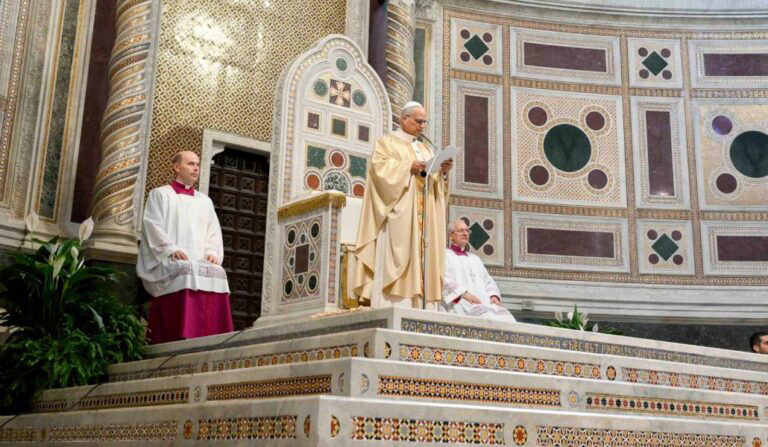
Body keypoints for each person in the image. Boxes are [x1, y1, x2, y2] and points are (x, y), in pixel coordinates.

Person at [353, 101, 453, 309]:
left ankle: (421, 305)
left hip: (425, 216)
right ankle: (398, 304)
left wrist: (442, 171)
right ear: (403, 119)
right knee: (400, 254)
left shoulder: (426, 148)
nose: (422, 126)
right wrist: (408, 167)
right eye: (418, 121)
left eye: (424, 122)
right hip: (400, 213)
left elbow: (433, 183)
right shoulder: (387, 143)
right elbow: (378, 171)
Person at [137, 151, 233, 344]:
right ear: (176, 167)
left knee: (218, 272)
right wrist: (170, 250)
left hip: (198, 260)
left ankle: (214, 336)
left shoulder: (204, 201)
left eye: (197, 164)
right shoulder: (160, 194)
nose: (196, 168)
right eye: (190, 164)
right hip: (169, 260)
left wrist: (212, 253)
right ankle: (182, 334)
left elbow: (213, 231)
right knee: (186, 270)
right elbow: (152, 225)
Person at [442, 219, 516, 321]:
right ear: (451, 236)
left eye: (467, 231)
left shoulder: (475, 259)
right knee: (486, 318)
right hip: (460, 301)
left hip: (482, 302)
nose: (465, 233)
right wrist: (463, 293)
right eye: (461, 230)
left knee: (508, 319)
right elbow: (443, 279)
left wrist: (493, 295)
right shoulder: (445, 255)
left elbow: (487, 280)